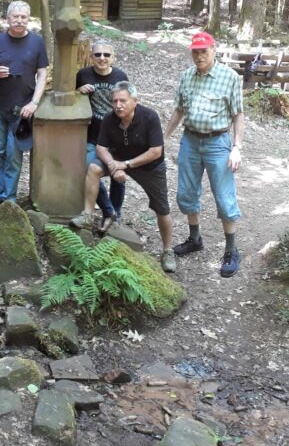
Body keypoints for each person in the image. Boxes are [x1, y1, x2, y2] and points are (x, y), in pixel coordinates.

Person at [70, 82, 176, 272]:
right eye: (115, 101)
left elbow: (156, 151)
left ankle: (168, 250)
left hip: (149, 166)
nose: (118, 105)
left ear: (135, 101)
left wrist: (126, 165)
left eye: (123, 101)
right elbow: (101, 147)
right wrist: (113, 165)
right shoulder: (110, 119)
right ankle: (87, 215)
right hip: (118, 158)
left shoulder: (149, 117)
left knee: (162, 209)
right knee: (93, 168)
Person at [164, 31, 244, 278]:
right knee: (186, 193)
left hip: (218, 142)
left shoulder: (229, 77)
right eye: (195, 51)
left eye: (204, 51)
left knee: (224, 197)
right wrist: (163, 137)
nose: (199, 56)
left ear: (213, 50)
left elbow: (238, 114)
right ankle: (195, 239)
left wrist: (237, 147)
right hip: (190, 140)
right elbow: (179, 110)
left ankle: (231, 250)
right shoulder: (187, 76)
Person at [0, 0, 48, 210]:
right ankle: (1, 194)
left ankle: (9, 199)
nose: (19, 21)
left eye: (23, 17)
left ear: (28, 19)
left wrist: (34, 102)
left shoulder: (37, 42)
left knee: (14, 154)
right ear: (7, 18)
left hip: (22, 111)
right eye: (15, 17)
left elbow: (42, 73)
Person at [76, 40, 129, 232]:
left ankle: (116, 213)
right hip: (93, 137)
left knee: (118, 176)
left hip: (117, 138)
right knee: (87, 169)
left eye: (106, 55)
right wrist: (79, 91)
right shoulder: (83, 75)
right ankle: (108, 211)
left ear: (113, 57)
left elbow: (129, 104)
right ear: (91, 57)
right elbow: (73, 99)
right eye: (98, 54)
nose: (102, 58)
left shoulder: (120, 76)